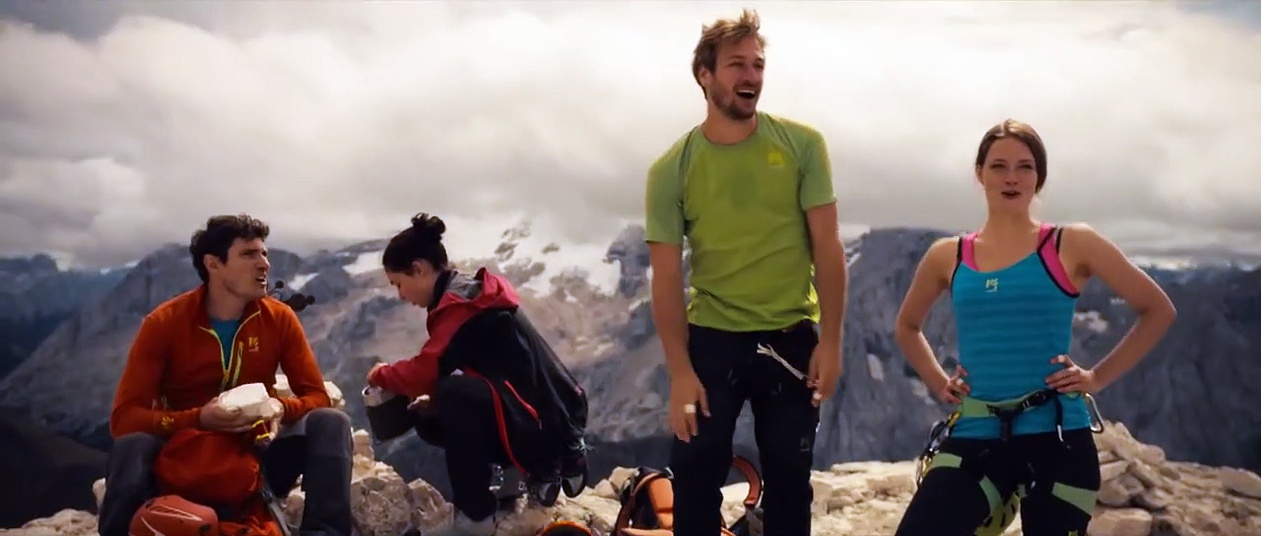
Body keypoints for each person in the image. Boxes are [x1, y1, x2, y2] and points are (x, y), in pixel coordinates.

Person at [891, 119, 1177, 536]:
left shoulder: (1072, 243)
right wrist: (938, 382)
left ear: (1038, 177)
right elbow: (907, 326)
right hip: (976, 432)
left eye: (1024, 167)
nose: (1011, 177)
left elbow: (1157, 309)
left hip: (1058, 435)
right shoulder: (947, 255)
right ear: (980, 173)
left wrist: (1096, 378)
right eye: (999, 166)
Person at [643, 8, 849, 536]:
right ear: (705, 75)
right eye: (737, 64)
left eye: (757, 64)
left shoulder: (803, 146)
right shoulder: (671, 169)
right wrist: (679, 371)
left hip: (791, 336)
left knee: (789, 478)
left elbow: (828, 248)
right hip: (713, 339)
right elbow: (665, 278)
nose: (751, 75)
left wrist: (831, 341)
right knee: (694, 473)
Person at [99, 214, 355, 536]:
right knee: (132, 445)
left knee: (331, 422)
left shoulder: (279, 319)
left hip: (258, 456)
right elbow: (124, 419)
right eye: (248, 254)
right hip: (181, 462)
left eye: (264, 253)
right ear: (213, 264)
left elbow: (317, 396)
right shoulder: (164, 323)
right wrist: (199, 419)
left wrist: (280, 408)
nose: (264, 264)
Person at [365, 213, 589, 536]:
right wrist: (434, 401)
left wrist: (381, 374)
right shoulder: (470, 294)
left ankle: (475, 518)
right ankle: (515, 478)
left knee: (453, 394)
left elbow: (424, 372)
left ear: (420, 269)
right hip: (541, 420)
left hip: (542, 431)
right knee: (432, 414)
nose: (400, 295)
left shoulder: (462, 305)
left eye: (399, 283)